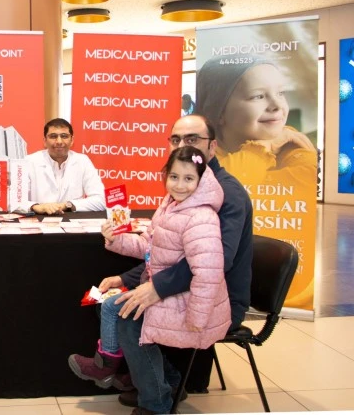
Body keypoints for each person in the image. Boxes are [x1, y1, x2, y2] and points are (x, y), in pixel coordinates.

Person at [68, 146, 230, 415]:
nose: (179, 185)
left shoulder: (202, 217)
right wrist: (117, 239)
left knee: (127, 319)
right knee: (110, 304)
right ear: (165, 176)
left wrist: (197, 318)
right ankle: (166, 382)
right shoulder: (170, 205)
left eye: (189, 178)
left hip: (191, 303)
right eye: (174, 177)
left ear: (201, 180)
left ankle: (155, 404)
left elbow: (208, 273)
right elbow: (148, 246)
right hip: (172, 294)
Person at [114, 114, 253, 408]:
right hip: (191, 289)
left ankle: (157, 398)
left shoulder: (225, 194)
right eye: (175, 139)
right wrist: (126, 278)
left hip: (218, 299)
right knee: (117, 302)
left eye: (192, 139)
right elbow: (161, 251)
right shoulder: (183, 191)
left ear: (212, 147)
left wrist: (157, 288)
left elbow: (216, 263)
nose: (182, 146)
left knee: (128, 316)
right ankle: (165, 382)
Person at [194, 55, 317, 187]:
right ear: (218, 112)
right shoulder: (196, 154)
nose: (277, 105)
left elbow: (306, 180)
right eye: (258, 96)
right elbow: (214, 186)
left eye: (280, 93)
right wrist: (263, 147)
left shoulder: (291, 143)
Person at [20, 118, 105, 214]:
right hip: (38, 220)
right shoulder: (29, 161)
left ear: (72, 140)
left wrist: (67, 205)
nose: (59, 141)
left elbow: (101, 200)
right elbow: (15, 202)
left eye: (64, 136)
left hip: (73, 221)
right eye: (53, 136)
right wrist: (36, 207)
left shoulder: (82, 161)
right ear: (45, 141)